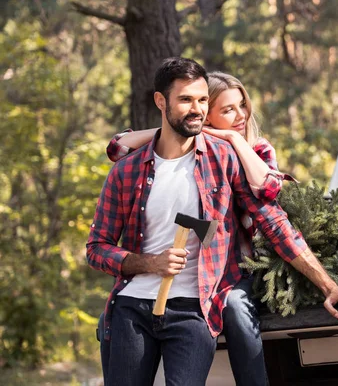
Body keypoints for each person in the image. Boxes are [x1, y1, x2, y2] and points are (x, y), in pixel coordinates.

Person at [88, 57, 338, 386]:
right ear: (161, 101)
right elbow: (97, 249)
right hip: (131, 309)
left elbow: (276, 224)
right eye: (186, 100)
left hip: (196, 309)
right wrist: (149, 263)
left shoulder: (224, 158)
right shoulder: (128, 171)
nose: (197, 109)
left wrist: (330, 286)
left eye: (203, 100)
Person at [102, 72, 299, 385]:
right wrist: (175, 129)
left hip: (242, 266)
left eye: (242, 106)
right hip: (200, 273)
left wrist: (233, 139)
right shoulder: (197, 151)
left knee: (235, 306)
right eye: (227, 110)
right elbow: (117, 149)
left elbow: (270, 190)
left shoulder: (254, 148)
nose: (240, 115)